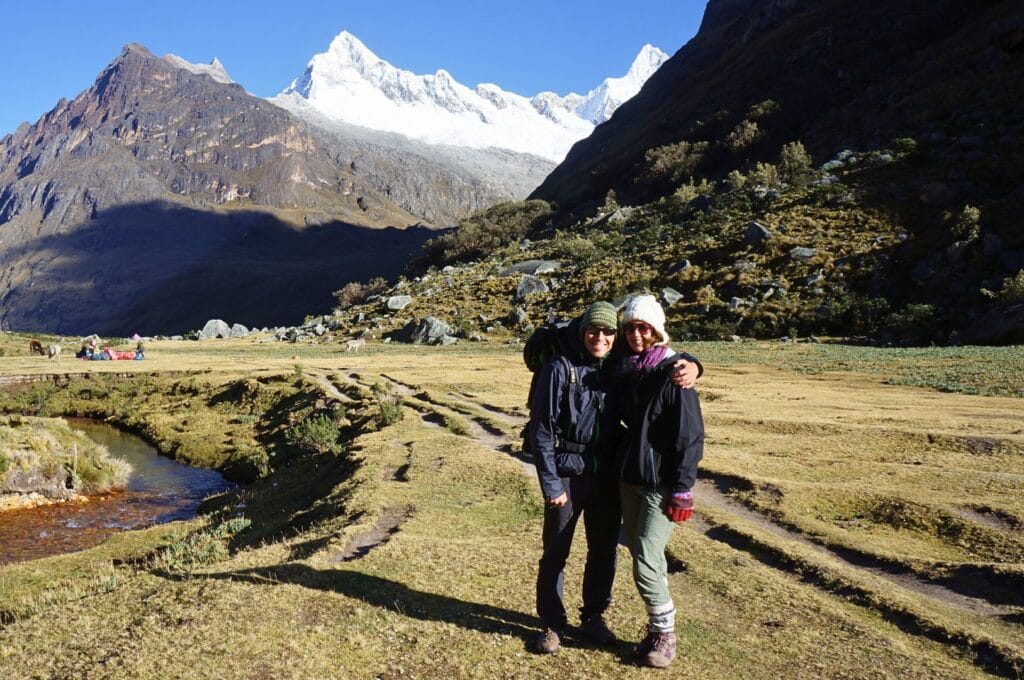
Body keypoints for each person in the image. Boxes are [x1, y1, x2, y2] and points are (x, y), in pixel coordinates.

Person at [528, 301, 703, 655]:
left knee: (603, 550)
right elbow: (542, 430)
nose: (601, 337)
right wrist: (550, 483)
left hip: (608, 473)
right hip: (567, 473)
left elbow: (662, 354)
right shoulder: (560, 368)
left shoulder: (619, 366)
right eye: (594, 330)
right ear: (582, 331)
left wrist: (695, 365)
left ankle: (593, 617)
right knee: (556, 550)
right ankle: (552, 624)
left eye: (609, 331)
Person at [615, 294, 704, 669]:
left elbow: (689, 436)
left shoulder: (674, 373)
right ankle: (655, 631)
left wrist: (683, 488)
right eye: (631, 327)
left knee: (647, 561)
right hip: (629, 477)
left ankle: (666, 634)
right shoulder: (628, 368)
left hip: (660, 483)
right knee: (640, 552)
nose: (637, 333)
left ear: (657, 330)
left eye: (644, 327)